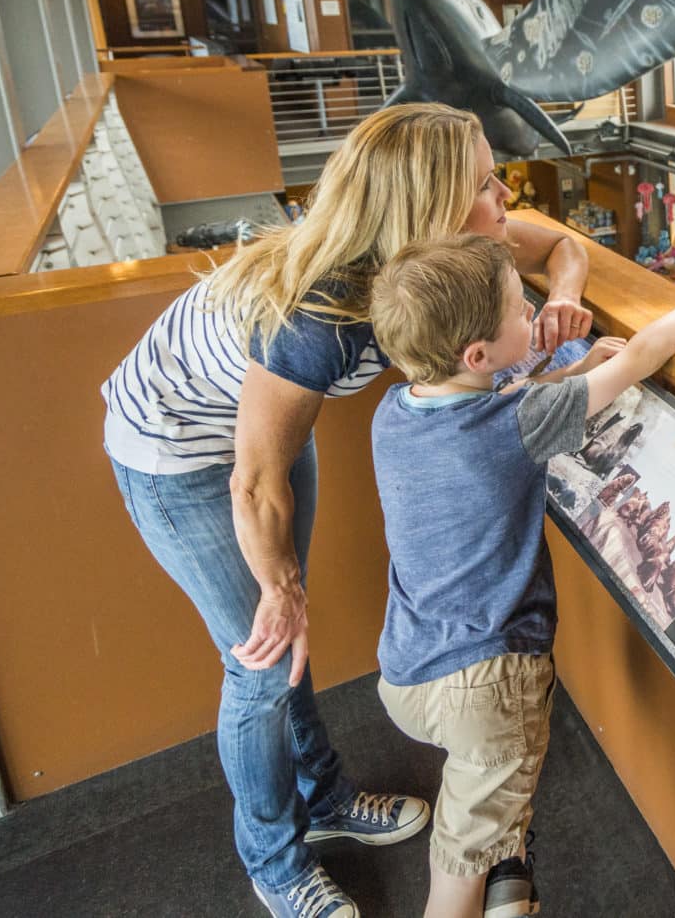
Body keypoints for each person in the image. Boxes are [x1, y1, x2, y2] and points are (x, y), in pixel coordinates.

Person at [101, 104, 592, 918]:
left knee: (290, 647)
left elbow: (564, 243)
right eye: (482, 183)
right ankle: (275, 861)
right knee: (262, 661)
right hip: (181, 453)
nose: (504, 192)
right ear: (429, 203)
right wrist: (280, 585)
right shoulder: (319, 314)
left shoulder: (452, 254)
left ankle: (325, 799)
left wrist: (565, 298)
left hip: (268, 432)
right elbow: (254, 482)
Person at [365, 234, 675, 918]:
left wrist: (557, 382)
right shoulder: (518, 420)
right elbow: (639, 357)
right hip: (488, 686)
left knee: (480, 805)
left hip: (407, 669)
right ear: (478, 355)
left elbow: (485, 411)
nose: (536, 316)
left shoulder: (393, 414)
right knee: (460, 857)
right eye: (523, 310)